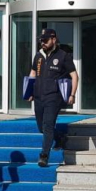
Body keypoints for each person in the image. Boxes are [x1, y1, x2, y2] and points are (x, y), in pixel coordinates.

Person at [28, 29, 79, 167]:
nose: (43, 43)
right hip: (38, 96)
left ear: (54, 39)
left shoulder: (63, 56)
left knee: (48, 125)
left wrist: (72, 94)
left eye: (45, 40)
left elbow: (74, 76)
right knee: (41, 127)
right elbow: (33, 73)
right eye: (41, 40)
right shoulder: (38, 56)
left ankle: (44, 156)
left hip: (54, 96)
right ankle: (60, 137)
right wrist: (29, 91)